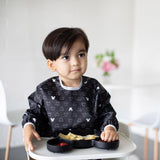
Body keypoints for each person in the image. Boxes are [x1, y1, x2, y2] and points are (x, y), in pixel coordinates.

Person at [22, 27, 119, 152]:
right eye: (66, 57)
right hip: (56, 149)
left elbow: (107, 112)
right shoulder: (45, 90)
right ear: (52, 65)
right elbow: (33, 114)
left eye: (81, 55)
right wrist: (28, 128)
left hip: (89, 149)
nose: (75, 62)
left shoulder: (94, 87)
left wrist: (109, 129)